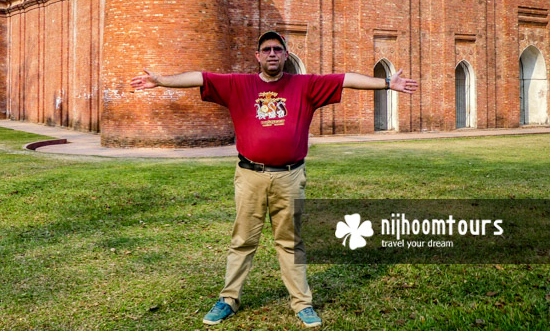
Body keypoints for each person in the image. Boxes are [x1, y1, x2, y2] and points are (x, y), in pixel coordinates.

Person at [130, 31, 418, 327]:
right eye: (266, 49)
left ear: (285, 55)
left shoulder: (304, 85)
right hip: (250, 175)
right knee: (242, 240)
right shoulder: (238, 84)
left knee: (291, 241)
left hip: (290, 177)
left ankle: (302, 303)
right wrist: (162, 80)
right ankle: (228, 299)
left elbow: (345, 79)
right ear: (258, 56)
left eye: (277, 49)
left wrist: (386, 83)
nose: (271, 54)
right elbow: (201, 78)